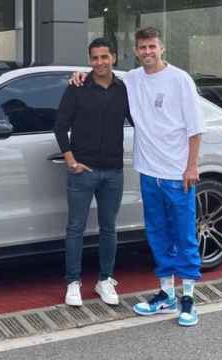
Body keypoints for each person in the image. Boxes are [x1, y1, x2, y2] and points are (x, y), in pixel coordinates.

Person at [70, 27, 205, 326]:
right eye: (142, 47)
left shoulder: (180, 80)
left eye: (151, 47)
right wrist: (80, 74)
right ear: (136, 50)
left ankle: (189, 300)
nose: (147, 52)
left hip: (177, 174)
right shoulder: (132, 79)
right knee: (157, 235)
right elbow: (102, 70)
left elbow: (195, 129)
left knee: (183, 235)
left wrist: (191, 166)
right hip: (149, 172)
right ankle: (166, 294)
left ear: (162, 48)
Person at [54, 37, 133, 307]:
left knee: (109, 228)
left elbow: (141, 121)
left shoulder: (124, 89)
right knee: (75, 228)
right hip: (82, 171)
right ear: (89, 60)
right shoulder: (77, 87)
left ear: (114, 58)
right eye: (94, 58)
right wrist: (71, 160)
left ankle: (105, 280)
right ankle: (73, 282)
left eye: (104, 57)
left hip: (113, 171)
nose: (99, 62)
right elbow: (59, 126)